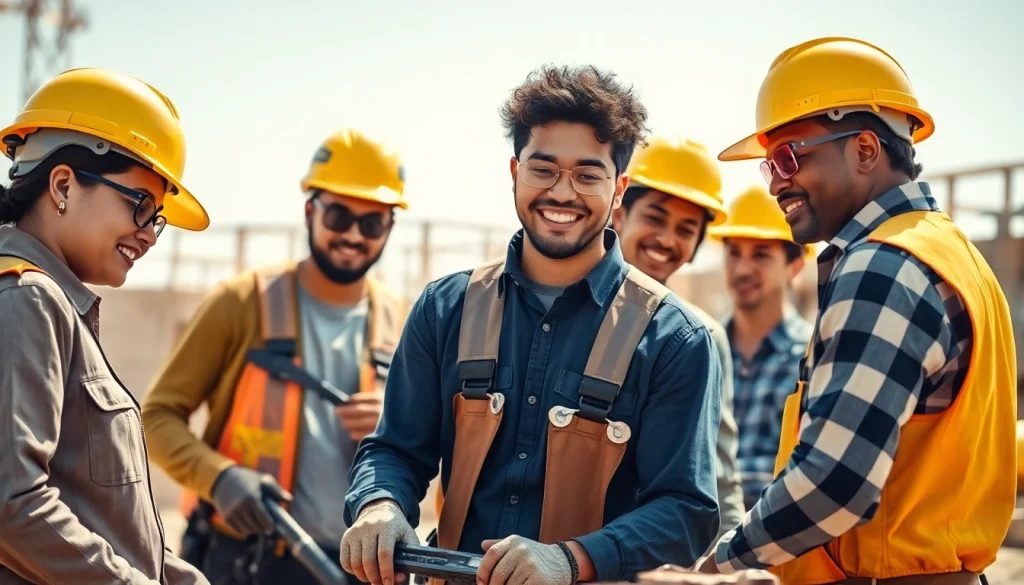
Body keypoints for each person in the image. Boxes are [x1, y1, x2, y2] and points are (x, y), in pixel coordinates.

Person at [341, 64, 724, 585]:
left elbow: (685, 513)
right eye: (544, 169)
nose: (563, 194)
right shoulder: (444, 308)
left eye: (588, 175)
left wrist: (570, 559)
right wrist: (379, 505)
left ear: (619, 190)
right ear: (515, 171)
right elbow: (396, 449)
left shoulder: (674, 340)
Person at [696, 36, 1017, 585]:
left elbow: (833, 481)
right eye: (769, 166)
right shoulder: (953, 254)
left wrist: (714, 567)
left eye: (789, 156)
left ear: (865, 149)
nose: (776, 183)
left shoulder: (883, 265)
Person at [141, 128, 410, 584]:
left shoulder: (402, 321)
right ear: (310, 211)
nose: (352, 235)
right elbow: (156, 417)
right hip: (249, 560)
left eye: (371, 223)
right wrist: (219, 478)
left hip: (360, 568)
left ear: (389, 228)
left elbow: (440, 446)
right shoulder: (242, 302)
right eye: (339, 216)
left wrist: (397, 422)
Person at [0, 68, 210, 585]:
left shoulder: (53, 303)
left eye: (156, 217)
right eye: (140, 205)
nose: (150, 235)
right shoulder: (27, 299)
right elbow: (14, 505)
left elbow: (95, 513)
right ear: (64, 183)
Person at [610, 135, 744, 537]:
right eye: (655, 217)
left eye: (686, 229)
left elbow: (718, 473)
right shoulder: (568, 311)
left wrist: (734, 566)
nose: (667, 239)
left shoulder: (702, 338)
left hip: (639, 558)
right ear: (619, 212)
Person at [705, 185, 812, 511]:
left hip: (778, 543)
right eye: (734, 253)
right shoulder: (700, 349)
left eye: (761, 255)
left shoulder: (814, 356)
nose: (742, 269)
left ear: (795, 267)